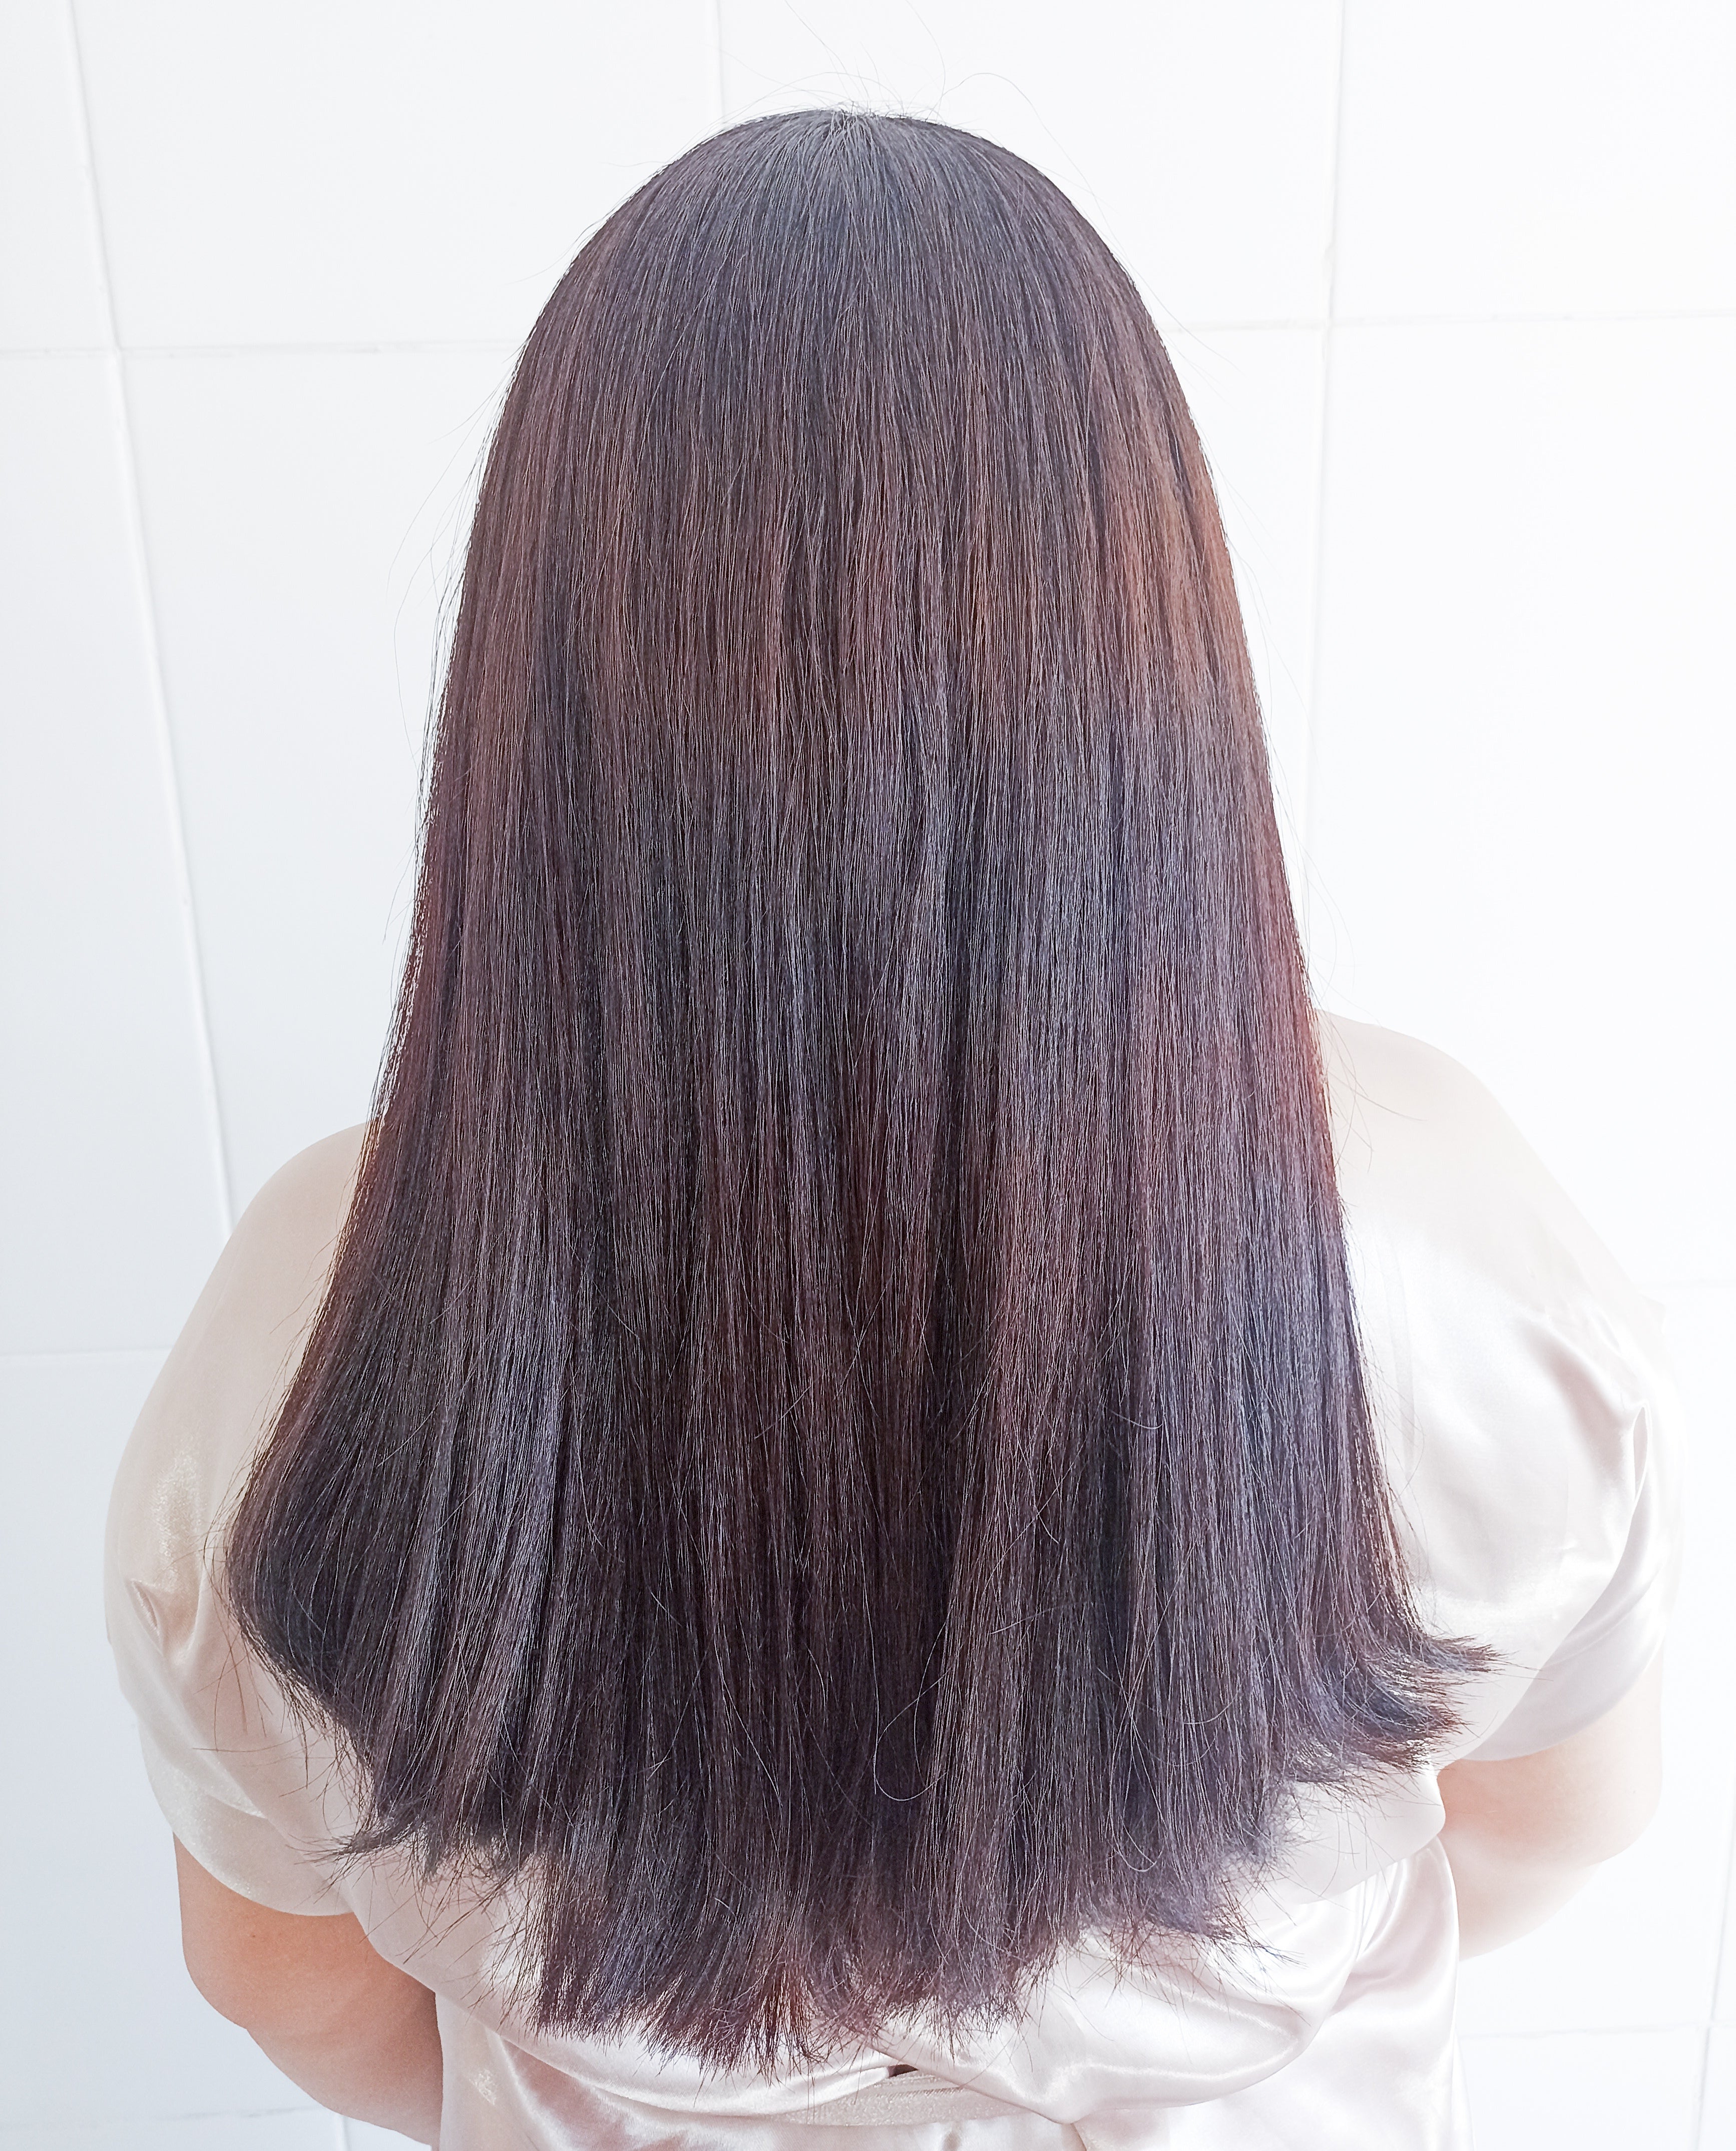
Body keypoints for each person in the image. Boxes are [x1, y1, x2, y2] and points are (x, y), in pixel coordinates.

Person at [104, 108, 1679, 2150]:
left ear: (537, 685)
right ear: (1147, 655)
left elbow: (294, 1980)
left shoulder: (303, 1348)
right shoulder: (1449, 1253)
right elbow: (1558, 1820)